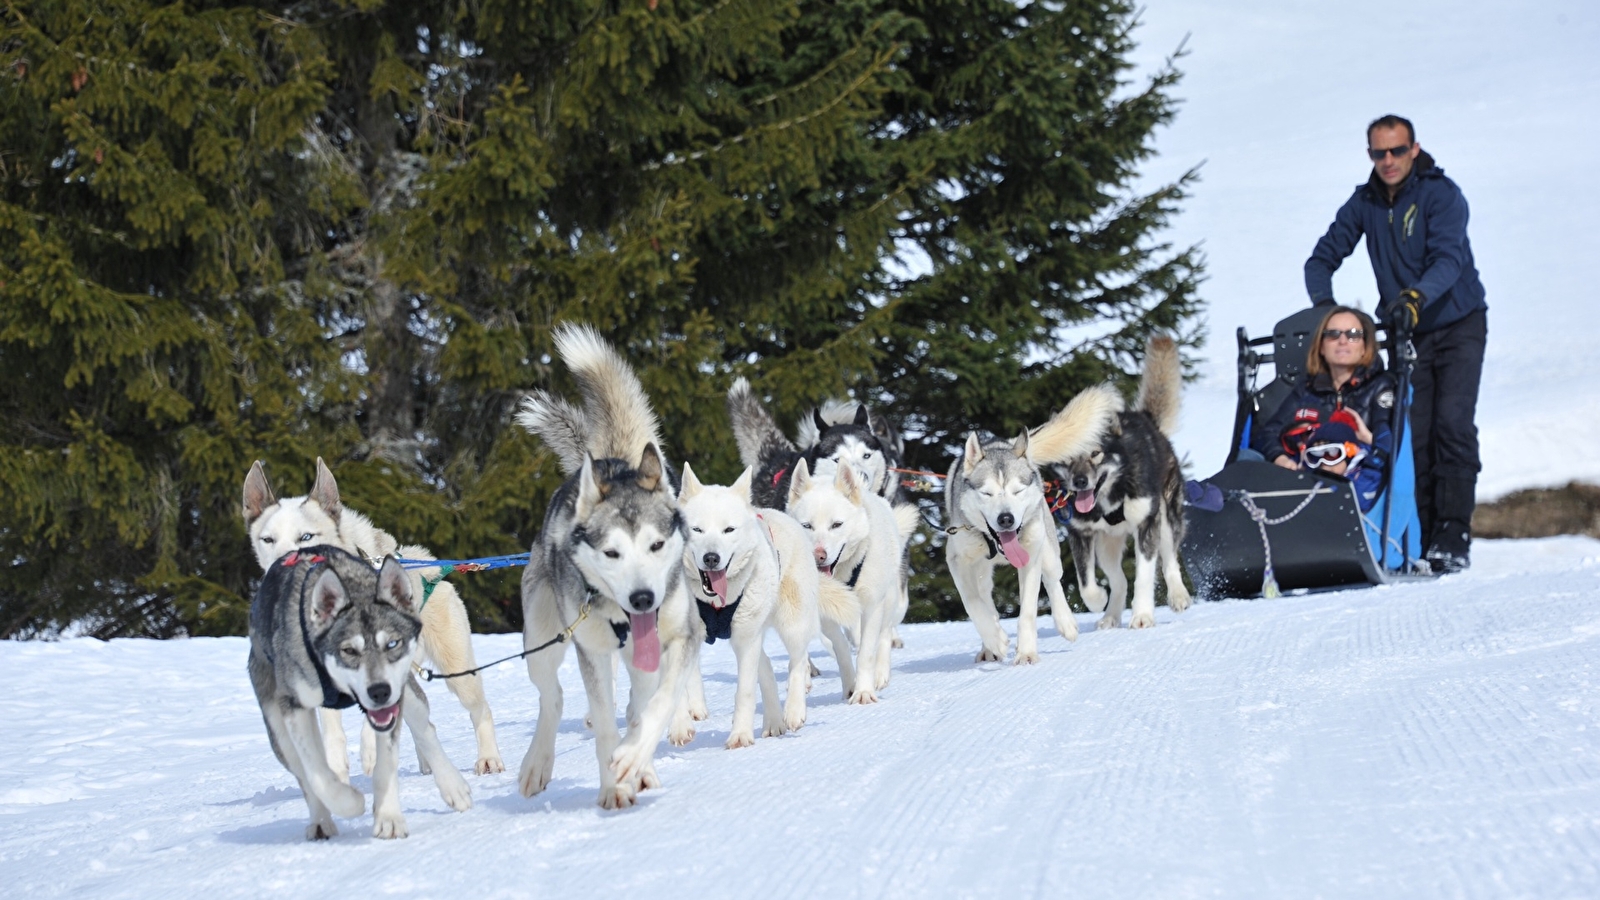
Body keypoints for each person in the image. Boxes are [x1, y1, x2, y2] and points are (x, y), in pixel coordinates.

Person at [1304, 114, 1487, 574]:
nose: (1388, 161)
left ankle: (1453, 535)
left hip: (1457, 323)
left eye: (1397, 151)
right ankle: (1419, 538)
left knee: (1452, 425)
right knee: (1412, 433)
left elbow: (1449, 259)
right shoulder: (1364, 202)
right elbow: (1321, 259)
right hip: (1407, 333)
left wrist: (1414, 297)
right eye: (1378, 153)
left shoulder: (1441, 195)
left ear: (1414, 149)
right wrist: (1328, 313)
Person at [1248, 305, 1396, 480]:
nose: (1343, 340)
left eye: (1353, 335)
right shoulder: (1306, 390)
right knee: (1247, 460)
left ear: (1365, 347)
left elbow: (1393, 444)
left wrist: (1366, 438)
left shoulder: (1380, 386)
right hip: (1305, 478)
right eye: (1333, 334)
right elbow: (1268, 433)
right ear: (1322, 347)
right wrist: (1281, 458)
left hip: (1359, 482)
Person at [1299, 409, 1384, 512]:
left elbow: (1359, 501)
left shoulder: (1370, 473)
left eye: (1331, 453)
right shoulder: (1312, 480)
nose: (1324, 463)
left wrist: (1369, 439)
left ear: (1350, 452)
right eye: (1316, 456)